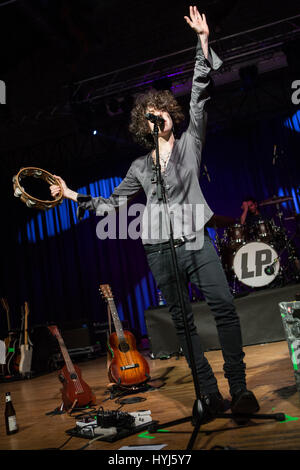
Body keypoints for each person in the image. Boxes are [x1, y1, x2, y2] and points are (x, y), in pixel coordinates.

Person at [50, 6, 259, 421]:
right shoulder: (140, 168)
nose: (158, 115)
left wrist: (202, 42)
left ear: (170, 115)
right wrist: (72, 195)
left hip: (197, 242)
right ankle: (209, 395)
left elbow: (199, 92)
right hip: (159, 250)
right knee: (183, 325)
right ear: (143, 124)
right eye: (152, 113)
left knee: (223, 309)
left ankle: (239, 389)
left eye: (162, 110)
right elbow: (111, 203)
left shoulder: (189, 143)